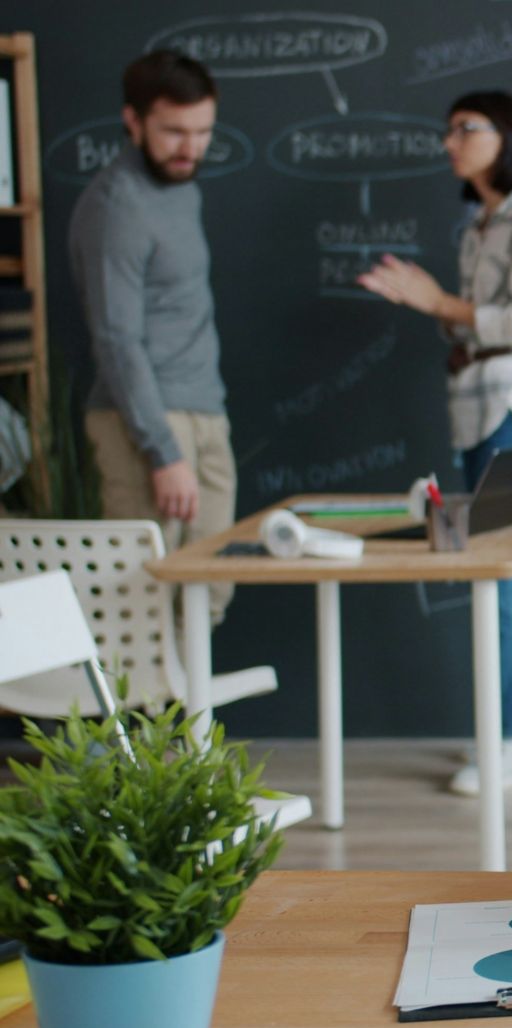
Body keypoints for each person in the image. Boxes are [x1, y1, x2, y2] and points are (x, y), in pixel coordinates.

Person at [357, 90, 512, 796]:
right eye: (446, 129)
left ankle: (507, 741)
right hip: (478, 402)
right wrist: (447, 317)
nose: (450, 141)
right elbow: (475, 324)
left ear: (504, 134)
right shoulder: (480, 223)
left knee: (497, 566)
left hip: (509, 406)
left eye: (465, 129)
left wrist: (436, 302)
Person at [71, 51, 236, 619]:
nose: (189, 148)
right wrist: (163, 452)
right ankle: (143, 712)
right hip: (145, 425)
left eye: (202, 132)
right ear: (133, 121)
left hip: (205, 413)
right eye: (173, 132)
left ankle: (187, 712)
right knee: (144, 606)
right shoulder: (117, 205)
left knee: (208, 596)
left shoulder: (183, 189)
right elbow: (117, 338)